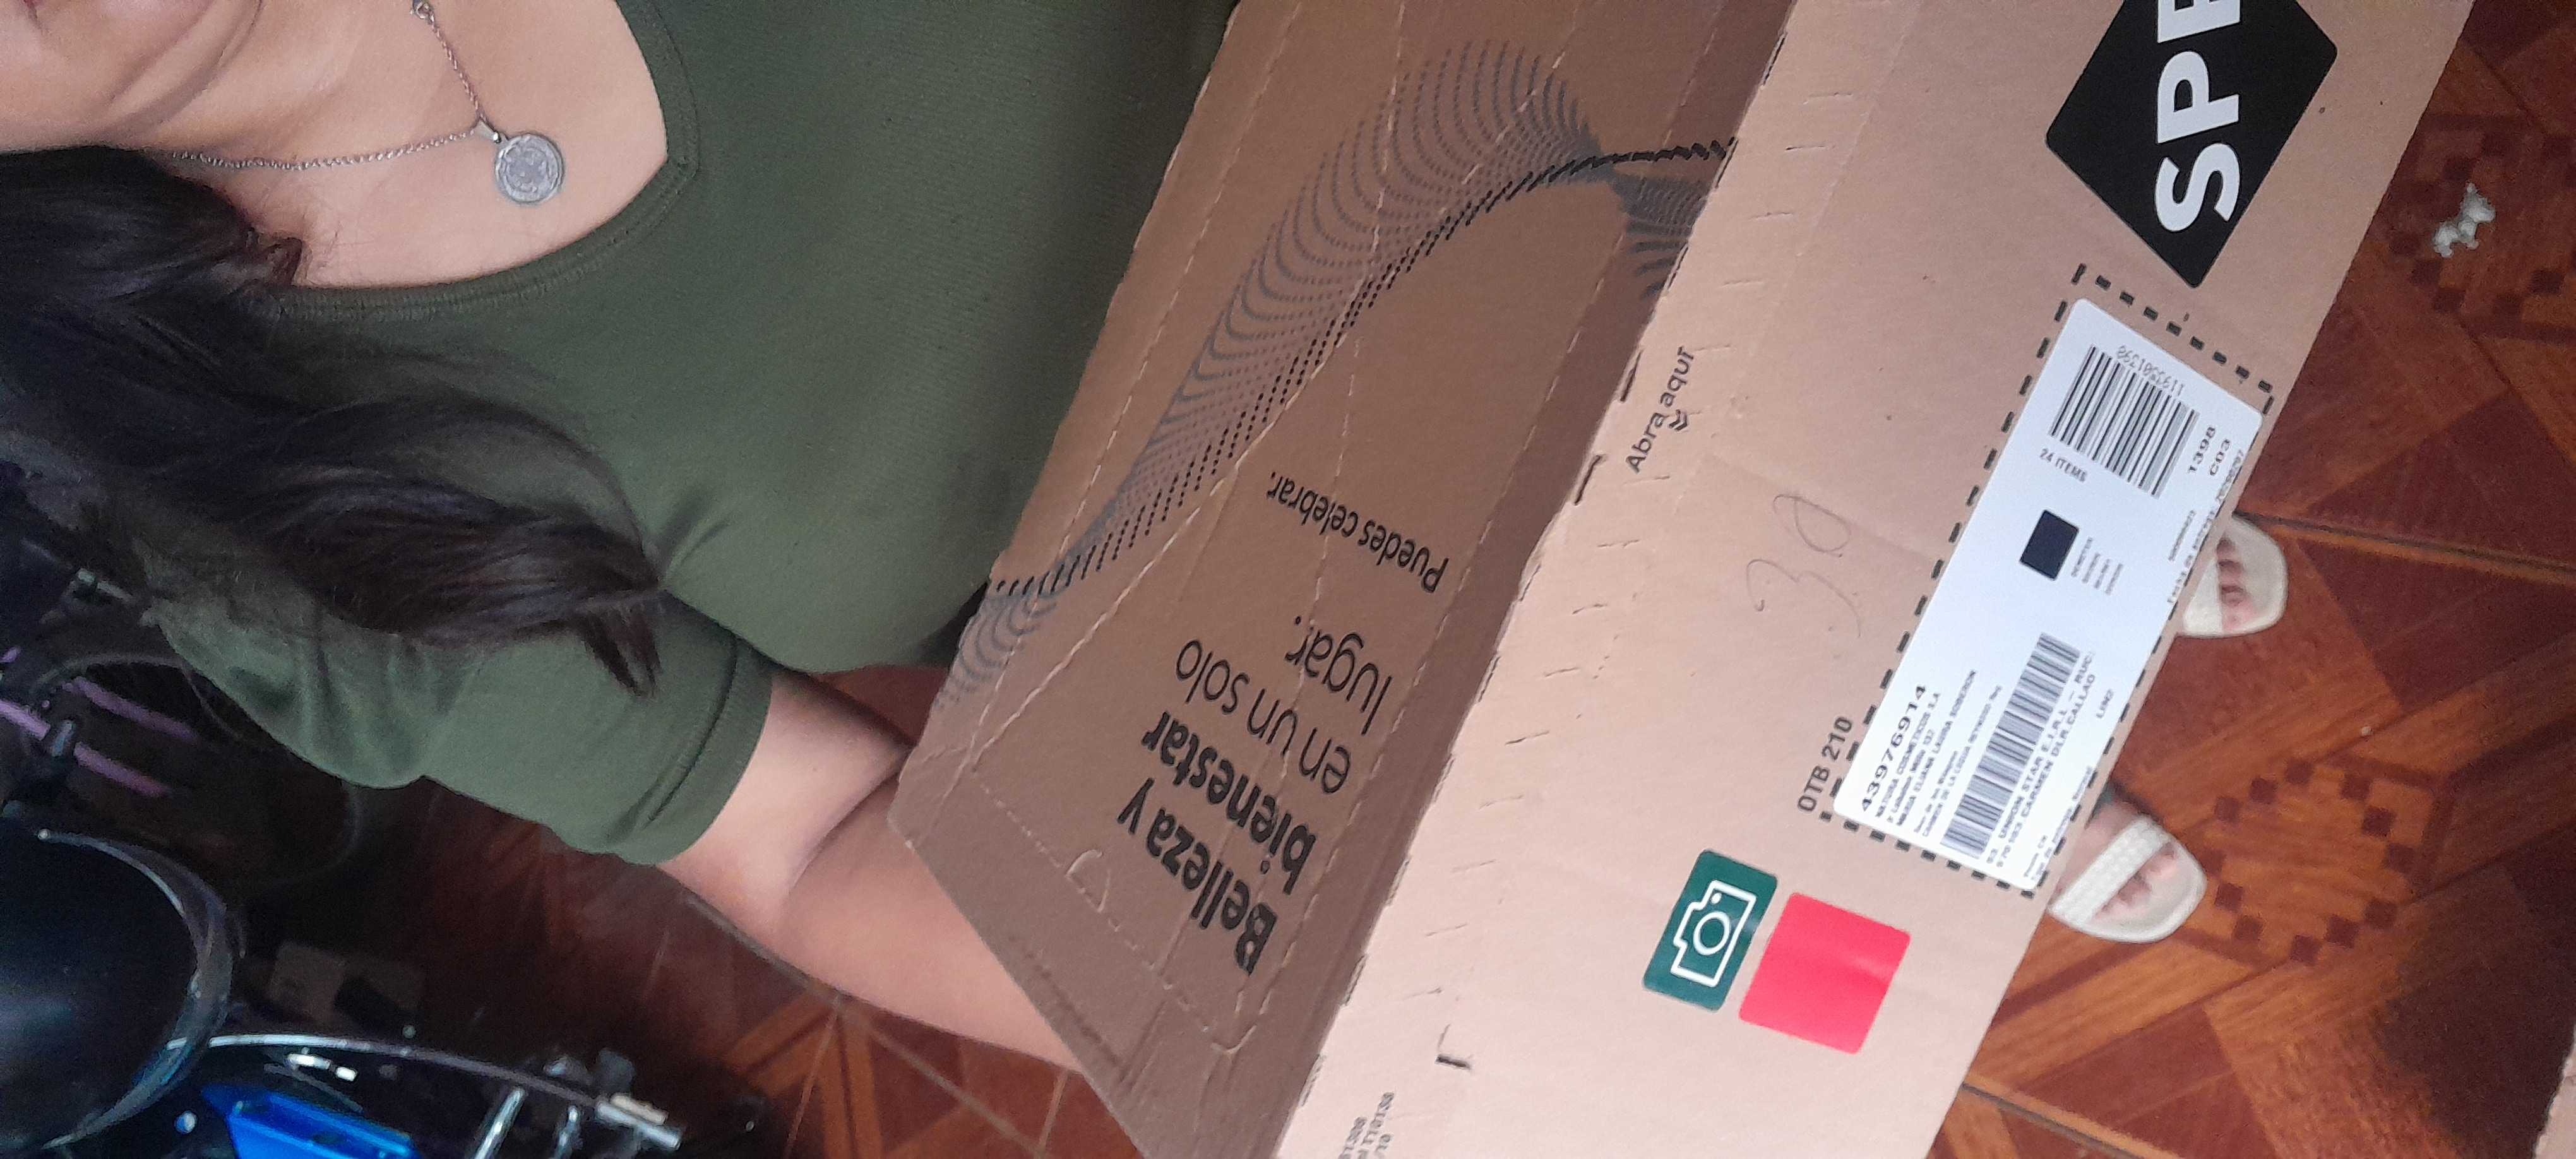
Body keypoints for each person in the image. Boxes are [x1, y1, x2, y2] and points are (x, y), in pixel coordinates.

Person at [0, 0, 2284, 1066]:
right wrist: (1293, 1016)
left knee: (2022, 442)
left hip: (1634, 161)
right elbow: (810, 840)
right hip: (1352, 634)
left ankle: (2018, 543)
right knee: (1884, 775)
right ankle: (1971, 758)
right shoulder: (248, 495)